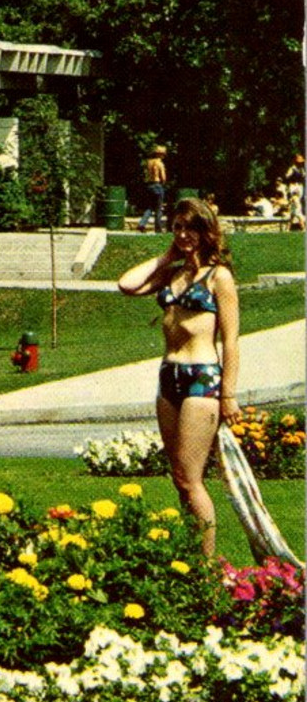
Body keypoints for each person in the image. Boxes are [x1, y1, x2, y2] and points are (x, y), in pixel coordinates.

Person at [117, 197, 240, 556]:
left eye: (191, 228)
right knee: (180, 479)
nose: (184, 234)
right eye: (178, 228)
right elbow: (127, 284)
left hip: (202, 377)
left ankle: (206, 567)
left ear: (206, 232)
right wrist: (168, 254)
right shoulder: (172, 275)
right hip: (168, 375)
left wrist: (228, 394)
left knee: (191, 478)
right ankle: (192, 552)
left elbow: (231, 341)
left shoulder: (219, 277)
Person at [136, 145, 168, 233]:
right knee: (158, 208)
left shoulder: (149, 162)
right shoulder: (160, 163)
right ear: (161, 155)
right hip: (157, 185)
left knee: (149, 207)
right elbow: (163, 177)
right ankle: (158, 228)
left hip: (149, 185)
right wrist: (163, 183)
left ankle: (142, 224)